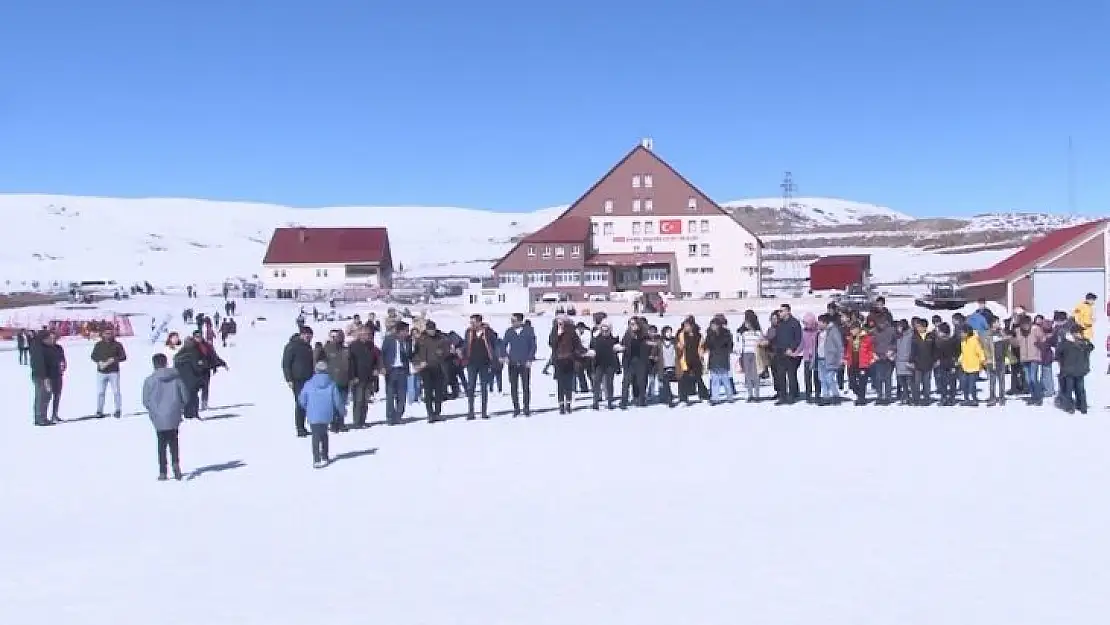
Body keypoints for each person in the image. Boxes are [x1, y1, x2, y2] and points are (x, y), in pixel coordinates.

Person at [142, 353, 189, 480]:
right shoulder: (176, 378)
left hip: (158, 417)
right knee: (174, 442)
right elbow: (185, 396)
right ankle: (176, 464)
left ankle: (163, 471)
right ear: (166, 363)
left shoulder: (149, 380)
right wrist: (179, 407)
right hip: (173, 414)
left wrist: (153, 410)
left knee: (161, 444)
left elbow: (145, 401)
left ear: (154, 364)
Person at [298, 361, 345, 468]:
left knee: (315, 436)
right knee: (324, 434)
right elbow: (337, 401)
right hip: (326, 414)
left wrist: (307, 407)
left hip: (313, 414)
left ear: (316, 370)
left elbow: (302, 399)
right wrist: (342, 411)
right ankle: (325, 455)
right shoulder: (332, 384)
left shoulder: (308, 383)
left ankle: (316, 459)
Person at [413, 320, 451, 422]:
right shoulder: (421, 339)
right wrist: (418, 363)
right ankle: (430, 414)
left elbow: (447, 351)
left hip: (438, 367)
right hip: (426, 369)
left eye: (433, 329)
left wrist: (442, 353)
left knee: (438, 392)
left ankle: (437, 413)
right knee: (428, 392)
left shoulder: (441, 338)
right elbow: (415, 354)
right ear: (426, 329)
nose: (431, 332)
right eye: (429, 330)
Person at [282, 325, 316, 437]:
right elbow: (286, 364)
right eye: (307, 335)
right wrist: (289, 379)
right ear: (301, 335)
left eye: (310, 336)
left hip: (309, 379)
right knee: (301, 403)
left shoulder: (308, 347)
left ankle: (305, 425)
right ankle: (300, 428)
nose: (309, 338)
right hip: (297, 380)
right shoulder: (292, 346)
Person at [501, 313, 537, 417]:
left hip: (524, 363)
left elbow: (533, 346)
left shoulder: (529, 331)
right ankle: (516, 408)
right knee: (513, 386)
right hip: (512, 362)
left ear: (520, 321)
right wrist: (505, 356)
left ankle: (526, 408)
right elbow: (503, 345)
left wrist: (530, 359)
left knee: (525, 386)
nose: (512, 323)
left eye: (514, 320)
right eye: (511, 321)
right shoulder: (509, 331)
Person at [463, 314, 497, 420]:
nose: (472, 324)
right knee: (471, 387)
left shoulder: (488, 331)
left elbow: (494, 342)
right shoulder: (469, 332)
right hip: (471, 363)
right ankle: (471, 412)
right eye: (471, 322)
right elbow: (466, 345)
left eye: (473, 322)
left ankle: (484, 411)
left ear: (479, 322)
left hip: (484, 363)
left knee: (483, 388)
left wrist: (486, 332)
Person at [30, 331, 65, 425]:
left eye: (53, 338)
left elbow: (61, 359)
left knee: (49, 397)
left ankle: (48, 416)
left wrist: (62, 365)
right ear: (44, 339)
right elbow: (39, 365)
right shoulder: (38, 348)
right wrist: (45, 378)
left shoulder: (56, 348)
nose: (52, 340)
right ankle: (40, 418)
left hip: (54, 375)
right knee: (42, 397)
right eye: (50, 338)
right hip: (42, 377)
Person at [91, 327, 127, 418]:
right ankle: (99, 411)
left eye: (110, 333)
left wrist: (114, 359)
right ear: (103, 334)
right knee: (100, 392)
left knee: (116, 391)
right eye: (106, 333)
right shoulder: (98, 345)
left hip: (113, 372)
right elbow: (93, 356)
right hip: (101, 372)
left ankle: (118, 410)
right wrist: (99, 362)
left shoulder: (117, 345)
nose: (108, 335)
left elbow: (123, 357)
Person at [348, 327, 381, 429]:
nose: (368, 336)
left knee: (365, 401)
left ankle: (363, 420)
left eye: (369, 334)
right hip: (358, 377)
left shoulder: (371, 346)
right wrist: (353, 376)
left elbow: (376, 359)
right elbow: (350, 362)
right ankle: (357, 422)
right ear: (360, 335)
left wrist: (376, 369)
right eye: (365, 334)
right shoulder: (353, 346)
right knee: (358, 401)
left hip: (369, 377)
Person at [550, 316, 584, 414]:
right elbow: (551, 343)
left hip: (569, 359)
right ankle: (561, 405)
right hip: (558, 360)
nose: (560, 324)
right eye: (558, 322)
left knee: (569, 383)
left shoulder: (571, 331)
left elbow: (577, 344)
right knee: (560, 384)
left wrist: (584, 352)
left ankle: (568, 404)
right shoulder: (554, 331)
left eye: (562, 322)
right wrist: (558, 334)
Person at [380, 321, 412, 425]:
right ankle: (390, 417)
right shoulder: (389, 339)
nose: (407, 333)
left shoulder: (407, 341)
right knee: (390, 394)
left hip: (402, 370)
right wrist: (382, 367)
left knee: (402, 394)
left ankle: (398, 416)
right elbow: (382, 354)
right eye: (405, 331)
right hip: (391, 370)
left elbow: (410, 354)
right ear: (399, 331)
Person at [770, 304, 803, 404]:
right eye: (780, 311)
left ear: (788, 311)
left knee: (791, 375)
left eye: (782, 311)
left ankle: (792, 396)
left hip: (790, 354)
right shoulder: (780, 324)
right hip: (780, 353)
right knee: (780, 376)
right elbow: (777, 338)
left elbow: (798, 338)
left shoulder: (794, 323)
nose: (780, 313)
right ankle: (782, 396)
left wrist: (792, 349)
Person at [1057, 326, 1093, 414]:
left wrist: (1086, 342)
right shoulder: (1066, 342)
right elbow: (1058, 352)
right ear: (1073, 333)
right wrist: (1062, 365)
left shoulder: (1084, 342)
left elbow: (1091, 348)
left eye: (1080, 333)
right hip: (1069, 370)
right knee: (1069, 389)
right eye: (1078, 332)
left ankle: (1082, 406)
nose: (1080, 334)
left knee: (1080, 389)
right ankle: (1069, 407)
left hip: (1080, 370)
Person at [323, 329, 353, 432]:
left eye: (339, 336)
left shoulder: (346, 350)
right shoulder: (326, 349)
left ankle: (341, 423)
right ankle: (333, 424)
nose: (336, 339)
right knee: (333, 404)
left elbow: (351, 364)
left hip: (344, 380)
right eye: (334, 336)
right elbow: (319, 364)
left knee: (342, 403)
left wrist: (351, 377)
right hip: (331, 380)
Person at [702, 317, 734, 404]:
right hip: (713, 359)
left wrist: (726, 351)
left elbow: (729, 346)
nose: (712, 327)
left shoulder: (726, 334)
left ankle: (730, 397)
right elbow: (706, 346)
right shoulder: (709, 335)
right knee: (714, 380)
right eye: (711, 325)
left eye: (714, 325)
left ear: (718, 325)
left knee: (725, 379)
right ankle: (715, 398)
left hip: (723, 359)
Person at [958, 326, 986, 406]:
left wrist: (983, 360)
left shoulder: (974, 340)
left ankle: (974, 399)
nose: (961, 334)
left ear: (967, 332)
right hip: (965, 365)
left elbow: (980, 351)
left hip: (974, 366)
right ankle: (966, 399)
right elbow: (963, 353)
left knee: (972, 385)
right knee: (964, 384)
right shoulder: (963, 341)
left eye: (963, 333)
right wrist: (959, 360)